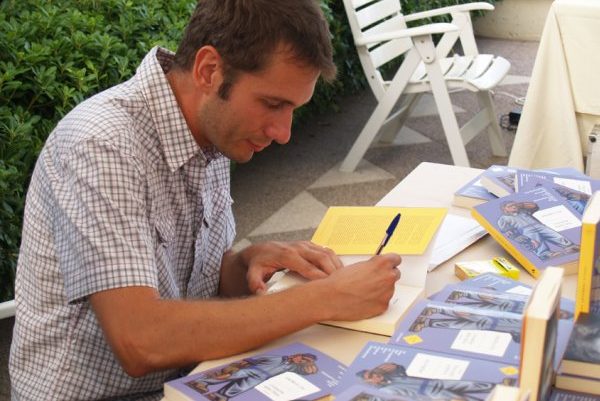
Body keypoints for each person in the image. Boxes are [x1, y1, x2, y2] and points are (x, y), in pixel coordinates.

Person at [9, 1, 403, 400]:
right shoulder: (100, 145)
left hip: (191, 378)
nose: (283, 132)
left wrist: (244, 264)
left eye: (293, 109)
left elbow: (190, 283)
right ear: (209, 71)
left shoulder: (211, 128)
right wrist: (324, 299)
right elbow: (141, 339)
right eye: (272, 104)